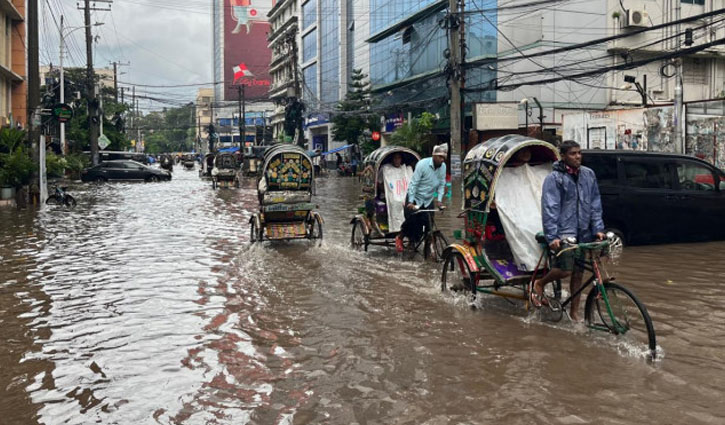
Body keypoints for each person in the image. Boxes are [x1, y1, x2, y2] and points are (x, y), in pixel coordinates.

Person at [531, 140, 605, 321]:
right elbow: (550, 208)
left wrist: (598, 228)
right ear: (563, 156)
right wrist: (553, 237)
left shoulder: (589, 175)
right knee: (566, 270)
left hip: (584, 231)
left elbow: (595, 204)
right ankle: (540, 283)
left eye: (579, 153)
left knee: (579, 274)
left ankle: (574, 313)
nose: (578, 156)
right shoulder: (554, 179)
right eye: (573, 153)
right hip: (565, 232)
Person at [395, 143, 448, 252]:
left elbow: (442, 184)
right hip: (415, 197)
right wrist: (410, 202)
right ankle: (400, 237)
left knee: (429, 223)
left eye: (444, 157)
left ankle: (428, 249)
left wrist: (439, 200)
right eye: (440, 157)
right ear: (434, 155)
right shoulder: (422, 164)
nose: (442, 160)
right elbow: (414, 184)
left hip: (428, 198)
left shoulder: (443, 167)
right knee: (412, 221)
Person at [377, 152, 414, 233]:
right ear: (392, 159)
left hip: (403, 196)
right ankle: (396, 230)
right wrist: (388, 191)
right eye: (395, 158)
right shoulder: (385, 168)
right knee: (395, 202)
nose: (397, 160)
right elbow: (379, 183)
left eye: (399, 158)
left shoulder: (405, 169)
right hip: (387, 195)